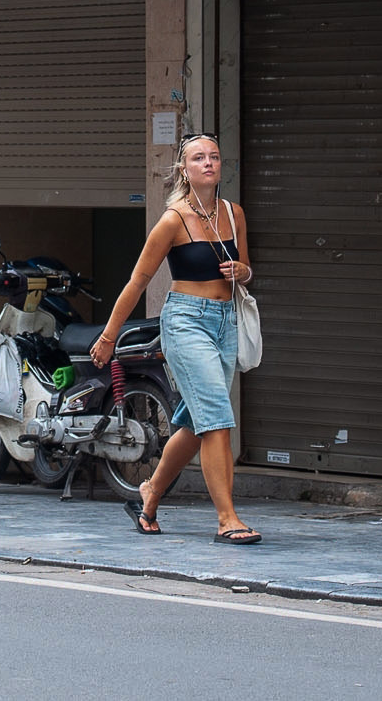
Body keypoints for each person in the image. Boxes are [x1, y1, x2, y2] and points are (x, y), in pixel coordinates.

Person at [93, 133, 260, 544]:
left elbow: (246, 268)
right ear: (184, 170)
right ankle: (227, 519)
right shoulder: (174, 219)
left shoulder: (233, 212)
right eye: (199, 158)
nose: (209, 163)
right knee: (217, 416)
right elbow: (137, 282)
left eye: (215, 157)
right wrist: (109, 336)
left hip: (225, 321)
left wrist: (243, 272)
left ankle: (149, 494)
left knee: (193, 420)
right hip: (186, 322)